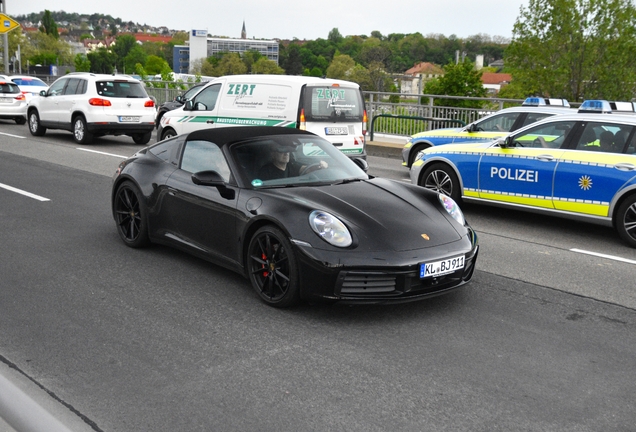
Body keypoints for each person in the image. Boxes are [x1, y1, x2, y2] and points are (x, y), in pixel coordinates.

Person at [257, 144, 327, 180]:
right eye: (282, 151)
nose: (286, 153)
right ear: (273, 154)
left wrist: (319, 166)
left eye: (288, 150)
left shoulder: (291, 165)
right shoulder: (265, 171)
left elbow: (307, 169)